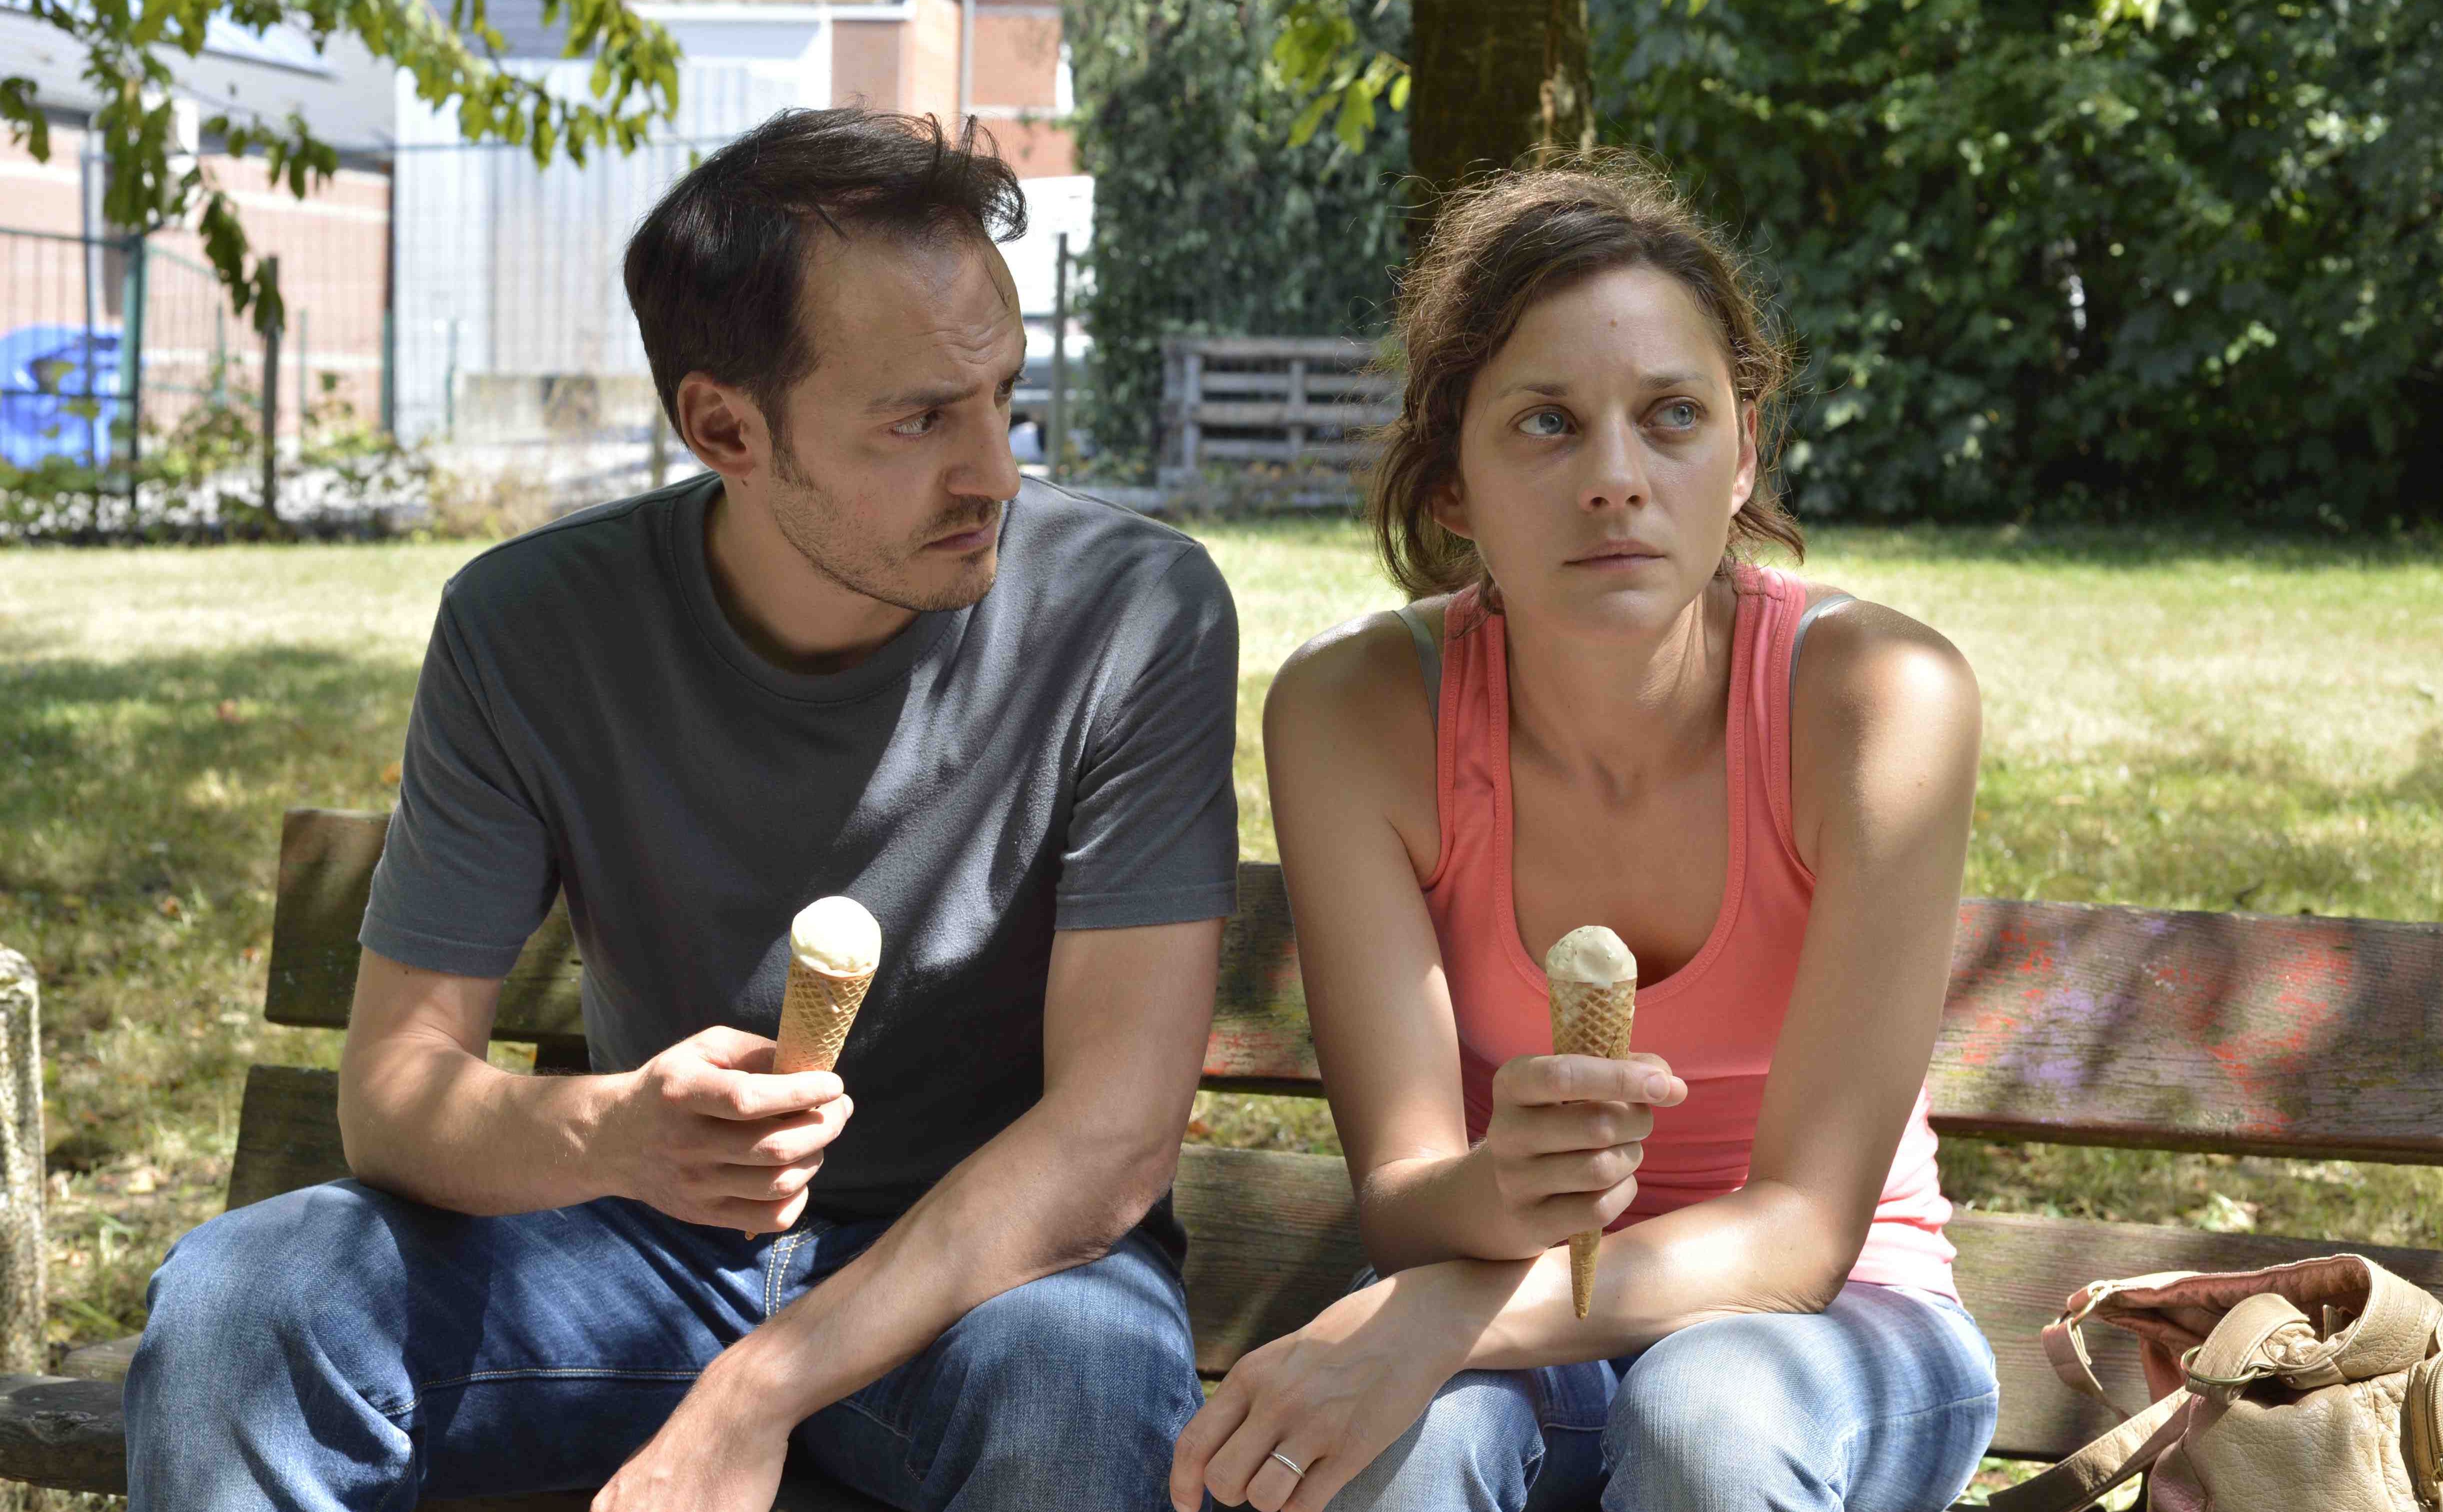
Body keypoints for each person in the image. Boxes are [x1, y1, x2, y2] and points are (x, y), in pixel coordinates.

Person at [124, 108, 1241, 1512]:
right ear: (726, 425)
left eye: (1003, 398)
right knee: (247, 1301)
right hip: (636, 1257)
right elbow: (393, 1096)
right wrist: (617, 1132)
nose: (997, 472)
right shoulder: (529, 629)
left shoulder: (1132, 612)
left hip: (990, 1280)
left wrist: (758, 1387)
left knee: (1079, 1377)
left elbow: (1114, 1138)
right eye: (920, 419)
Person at [1172, 157, 1998, 1512]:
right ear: (1451, 487)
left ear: (1743, 456)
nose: (1616, 478)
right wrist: (1495, 1189)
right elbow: (1406, 1195)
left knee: (1706, 1420)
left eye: (1671, 416)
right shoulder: (1353, 712)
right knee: (1402, 1453)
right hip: (1510, 1289)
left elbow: (1801, 1235)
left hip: (1843, 1327)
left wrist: (1425, 1323)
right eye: (1547, 425)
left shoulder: (1876, 702)